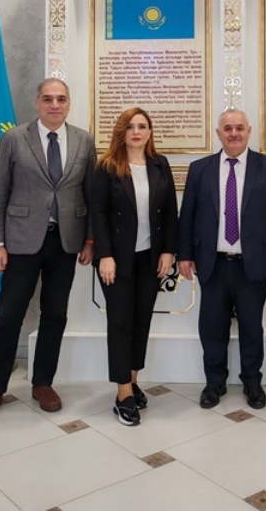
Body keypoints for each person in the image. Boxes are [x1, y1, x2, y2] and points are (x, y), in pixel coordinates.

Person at [0, 78, 96, 422]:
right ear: (37, 102)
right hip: (21, 241)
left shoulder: (84, 140)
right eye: (48, 99)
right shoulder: (14, 138)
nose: (55, 105)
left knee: (55, 314)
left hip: (65, 241)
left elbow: (90, 194)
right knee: (9, 315)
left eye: (61, 99)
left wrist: (89, 240)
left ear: (69, 104)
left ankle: (43, 384)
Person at [178, 109, 266, 410]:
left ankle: (252, 381)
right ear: (218, 133)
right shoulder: (199, 169)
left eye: (240, 128)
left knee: (252, 326)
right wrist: (185, 254)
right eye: (227, 128)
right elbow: (187, 214)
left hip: (253, 262)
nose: (234, 133)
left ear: (249, 131)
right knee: (211, 326)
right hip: (212, 262)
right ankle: (214, 383)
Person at [91, 107, 178, 426]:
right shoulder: (107, 166)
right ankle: (123, 395)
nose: (137, 132)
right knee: (121, 323)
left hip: (149, 259)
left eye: (142, 126)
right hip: (116, 260)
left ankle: (132, 379)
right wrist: (105, 255)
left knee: (141, 321)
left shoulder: (160, 164)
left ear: (150, 132)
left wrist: (168, 251)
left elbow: (170, 211)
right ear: (121, 132)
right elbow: (98, 213)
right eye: (130, 127)